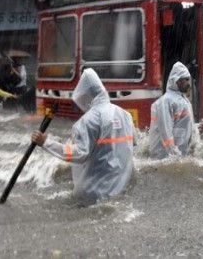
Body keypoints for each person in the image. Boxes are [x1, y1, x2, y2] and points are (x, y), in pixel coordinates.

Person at [30, 68, 136, 204]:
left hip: (94, 195)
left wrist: (45, 142)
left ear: (86, 96)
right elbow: (133, 143)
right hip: (121, 192)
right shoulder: (125, 115)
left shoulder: (88, 121)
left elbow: (79, 154)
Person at [147, 61, 199, 159]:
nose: (189, 83)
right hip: (166, 157)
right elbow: (165, 130)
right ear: (177, 80)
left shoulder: (185, 101)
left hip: (181, 156)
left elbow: (190, 126)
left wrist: (193, 146)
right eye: (186, 80)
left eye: (189, 80)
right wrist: (174, 154)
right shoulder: (166, 102)